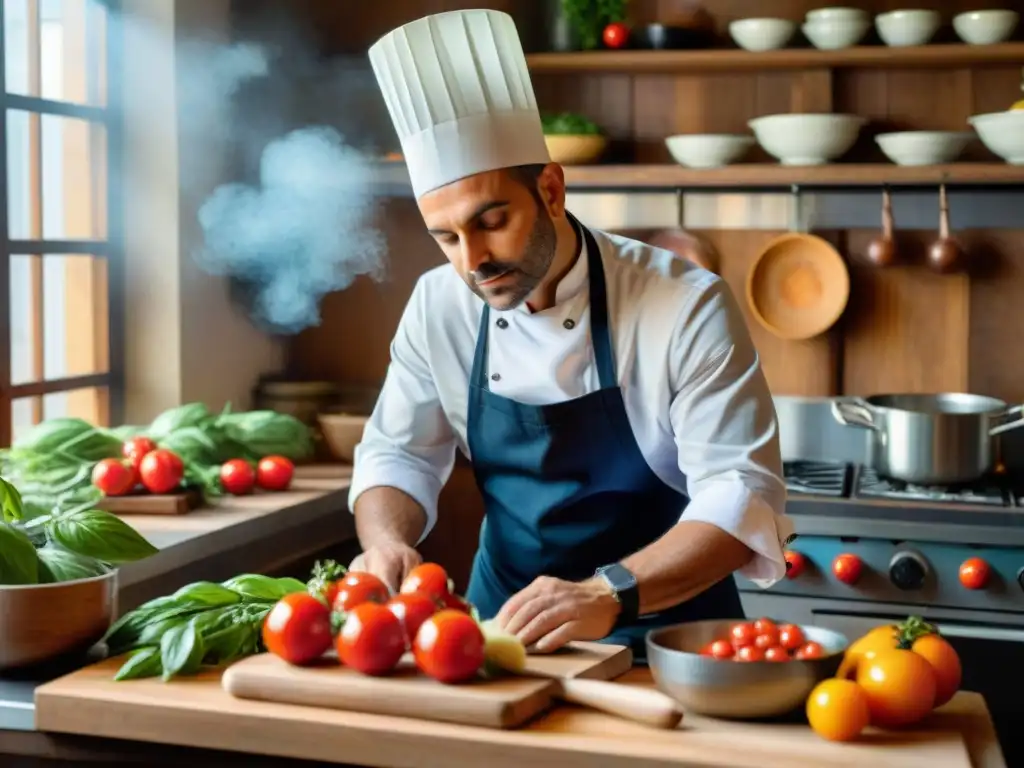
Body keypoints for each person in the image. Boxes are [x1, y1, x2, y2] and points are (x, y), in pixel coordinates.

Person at [348, 9, 794, 660]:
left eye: (491, 220)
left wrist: (608, 593)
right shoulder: (436, 305)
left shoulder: (685, 305)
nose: (472, 260)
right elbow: (399, 455)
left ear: (551, 189)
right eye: (446, 237)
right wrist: (384, 541)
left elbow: (740, 491)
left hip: (670, 636)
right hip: (500, 638)